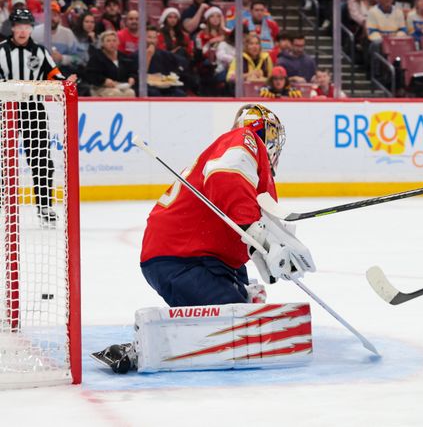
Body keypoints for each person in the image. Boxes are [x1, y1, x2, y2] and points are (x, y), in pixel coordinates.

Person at [96, 105, 315, 373]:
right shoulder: (246, 140)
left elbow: (254, 229)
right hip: (180, 258)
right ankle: (138, 350)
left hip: (208, 259)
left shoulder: (254, 171)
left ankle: (237, 299)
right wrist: (259, 234)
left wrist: (278, 254)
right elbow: (225, 177)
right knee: (233, 327)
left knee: (242, 318)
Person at [0, 9, 76, 226]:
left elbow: (54, 75)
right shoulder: (1, 51)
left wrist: (66, 82)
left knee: (42, 159)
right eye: (19, 26)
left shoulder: (40, 52)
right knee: (3, 158)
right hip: (6, 111)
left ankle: (44, 206)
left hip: (34, 110)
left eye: (27, 26)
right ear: (12, 28)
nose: (23, 30)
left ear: (31, 28)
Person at [83, 30, 137, 97]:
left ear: (118, 42)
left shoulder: (123, 57)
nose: (112, 43)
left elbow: (132, 71)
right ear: (102, 43)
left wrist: (132, 77)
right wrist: (104, 81)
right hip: (100, 87)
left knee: (130, 92)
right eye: (108, 41)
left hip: (120, 85)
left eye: (114, 41)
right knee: (115, 93)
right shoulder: (96, 57)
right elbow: (90, 74)